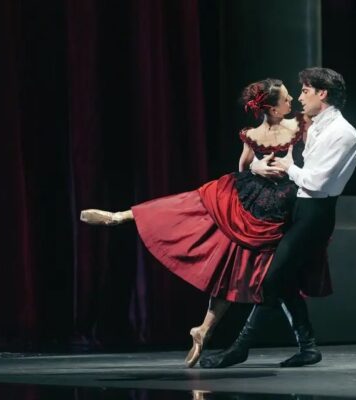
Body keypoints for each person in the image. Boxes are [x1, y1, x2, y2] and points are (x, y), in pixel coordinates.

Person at [79, 78, 332, 368]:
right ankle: (126, 216)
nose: (292, 101)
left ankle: (216, 331)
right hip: (262, 205)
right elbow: (244, 165)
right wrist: (257, 167)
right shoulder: (257, 133)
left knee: (253, 268)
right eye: (286, 98)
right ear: (273, 110)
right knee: (200, 212)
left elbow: (312, 161)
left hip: (279, 210)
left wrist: (274, 168)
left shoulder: (299, 124)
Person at [199, 67, 356, 369]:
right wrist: (259, 166)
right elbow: (262, 148)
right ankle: (308, 347)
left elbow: (316, 183)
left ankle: (240, 348)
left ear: (322, 93)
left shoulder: (342, 133)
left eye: (306, 91)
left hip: (315, 215)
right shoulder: (314, 124)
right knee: (284, 280)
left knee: (271, 279)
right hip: (298, 208)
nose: (300, 97)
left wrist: (288, 167)